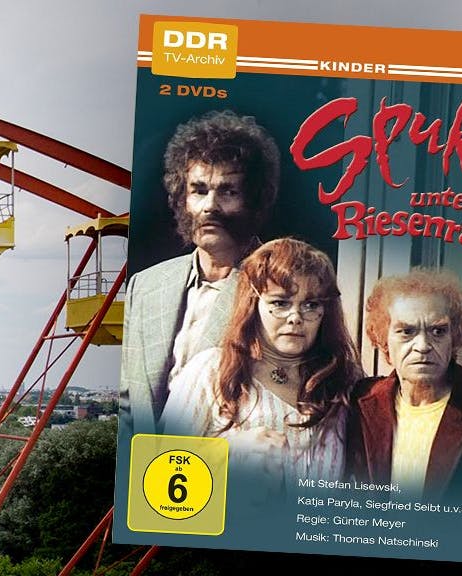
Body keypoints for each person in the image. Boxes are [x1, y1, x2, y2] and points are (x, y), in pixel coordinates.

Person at [121, 110, 282, 433]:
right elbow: (129, 404)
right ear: (182, 199)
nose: (210, 206)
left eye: (228, 191)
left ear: (255, 200)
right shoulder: (145, 286)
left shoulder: (281, 287)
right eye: (199, 190)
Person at [163, 239, 360, 482]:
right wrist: (229, 454)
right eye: (280, 303)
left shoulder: (345, 382)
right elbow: (157, 477)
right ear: (252, 305)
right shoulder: (209, 370)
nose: (295, 317)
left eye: (311, 305)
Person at [346, 270, 462, 500]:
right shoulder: (359, 401)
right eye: (406, 331)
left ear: (454, 336)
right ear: (383, 338)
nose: (423, 345)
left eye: (438, 331)